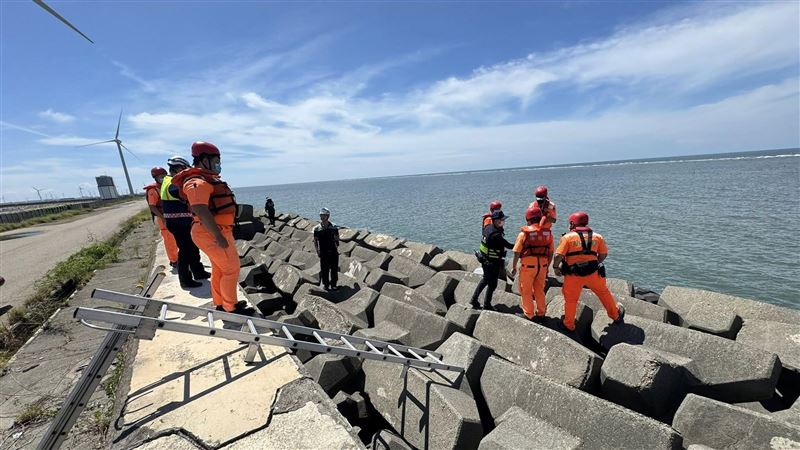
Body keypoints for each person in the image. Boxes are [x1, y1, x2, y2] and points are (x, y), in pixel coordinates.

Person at [173, 141, 254, 315]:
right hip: (211, 232)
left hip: (216, 230)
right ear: (203, 159)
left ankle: (220, 303)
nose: (218, 164)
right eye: (216, 160)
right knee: (231, 269)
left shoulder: (206, 179)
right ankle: (231, 308)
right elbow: (199, 209)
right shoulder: (196, 182)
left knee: (219, 268)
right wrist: (218, 236)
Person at [553, 211, 625, 332]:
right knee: (603, 293)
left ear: (572, 223)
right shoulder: (597, 237)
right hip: (593, 273)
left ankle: (569, 324)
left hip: (573, 275)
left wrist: (556, 268)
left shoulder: (567, 237)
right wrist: (595, 262)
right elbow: (603, 254)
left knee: (571, 300)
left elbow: (558, 255)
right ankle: (616, 316)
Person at [161, 156, 210, 288]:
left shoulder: (167, 181)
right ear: (178, 168)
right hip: (179, 224)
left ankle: (198, 271)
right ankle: (185, 279)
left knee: (192, 248)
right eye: (185, 170)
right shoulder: (172, 183)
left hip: (180, 222)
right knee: (185, 251)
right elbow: (180, 192)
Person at [511, 204, 553, 321]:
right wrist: (547, 267)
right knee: (540, 290)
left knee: (526, 291)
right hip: (543, 267)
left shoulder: (524, 234)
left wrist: (514, 266)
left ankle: (529, 314)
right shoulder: (548, 233)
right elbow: (551, 253)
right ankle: (541, 313)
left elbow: (516, 252)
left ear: (528, 219)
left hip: (528, 267)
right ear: (540, 218)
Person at [471, 210, 514, 310]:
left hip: (483, 259)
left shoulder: (487, 228)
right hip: (492, 263)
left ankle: (474, 300)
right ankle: (487, 305)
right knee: (492, 284)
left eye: (503, 220)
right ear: (494, 221)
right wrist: (522, 244)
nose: (503, 222)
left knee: (485, 279)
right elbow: (509, 245)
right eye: (501, 220)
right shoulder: (496, 235)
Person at [144, 167, 178, 267]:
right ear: (155, 178)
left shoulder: (167, 186)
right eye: (160, 176)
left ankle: (179, 257)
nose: (163, 178)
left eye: (164, 176)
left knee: (177, 239)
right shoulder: (153, 190)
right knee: (169, 240)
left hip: (172, 216)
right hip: (163, 218)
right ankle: (174, 260)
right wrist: (163, 218)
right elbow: (152, 206)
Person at [313, 208, 340, 290]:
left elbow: (337, 239)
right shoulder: (317, 228)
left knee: (334, 269)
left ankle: (334, 285)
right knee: (324, 270)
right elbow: (315, 240)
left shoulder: (334, 227)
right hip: (323, 252)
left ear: (328, 216)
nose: (322, 217)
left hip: (333, 251)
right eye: (321, 215)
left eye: (324, 215)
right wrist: (317, 251)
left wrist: (336, 241)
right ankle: (326, 285)